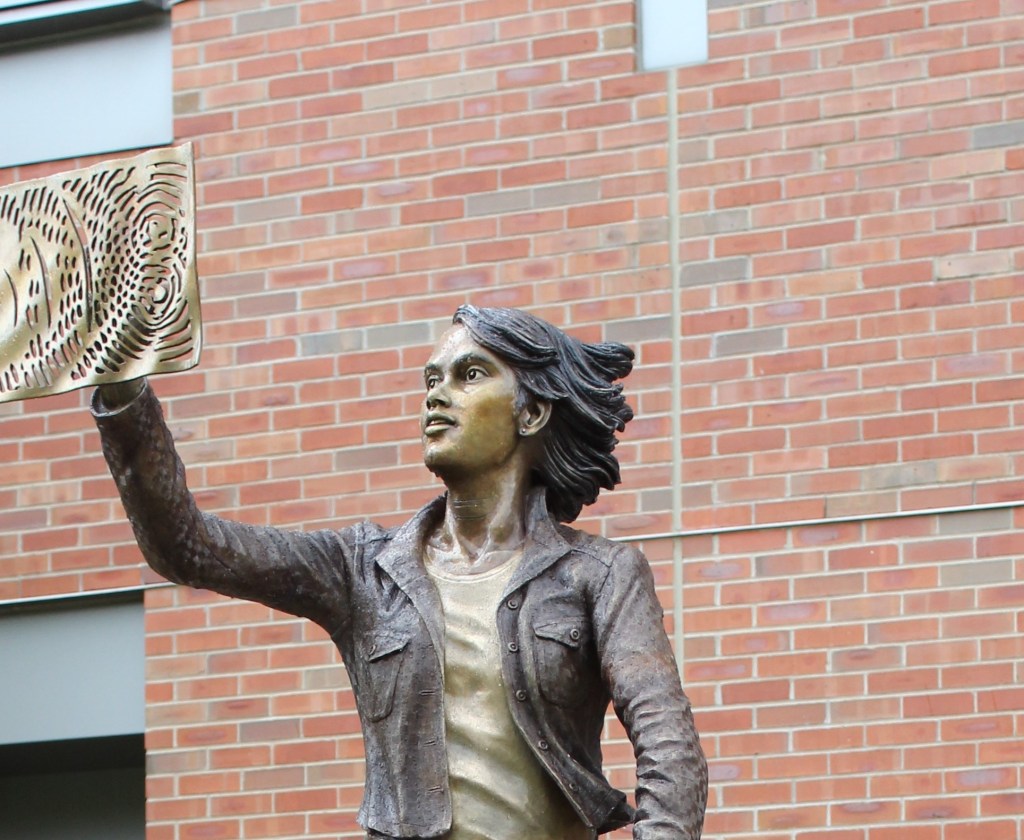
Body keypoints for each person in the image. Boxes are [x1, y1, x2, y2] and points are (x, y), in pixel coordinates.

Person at [93, 304, 707, 839]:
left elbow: (667, 744)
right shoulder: (362, 570)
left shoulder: (599, 574)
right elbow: (186, 546)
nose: (437, 395)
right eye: (431, 380)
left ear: (532, 414)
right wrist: (124, 398)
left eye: (470, 375)